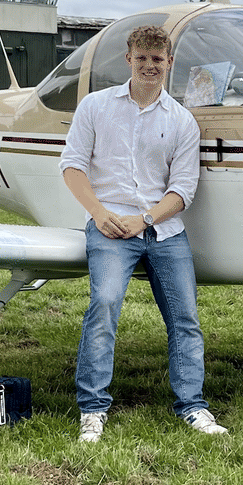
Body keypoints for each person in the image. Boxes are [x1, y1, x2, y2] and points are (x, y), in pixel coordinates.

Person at [59, 24, 227, 443]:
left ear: (169, 62)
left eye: (157, 59)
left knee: (185, 318)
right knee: (104, 303)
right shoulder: (95, 107)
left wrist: (147, 219)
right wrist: (99, 214)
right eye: (142, 58)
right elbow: (72, 166)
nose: (149, 66)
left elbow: (183, 189)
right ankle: (92, 410)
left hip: (164, 232)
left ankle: (193, 406)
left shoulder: (182, 121)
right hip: (110, 228)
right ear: (128, 60)